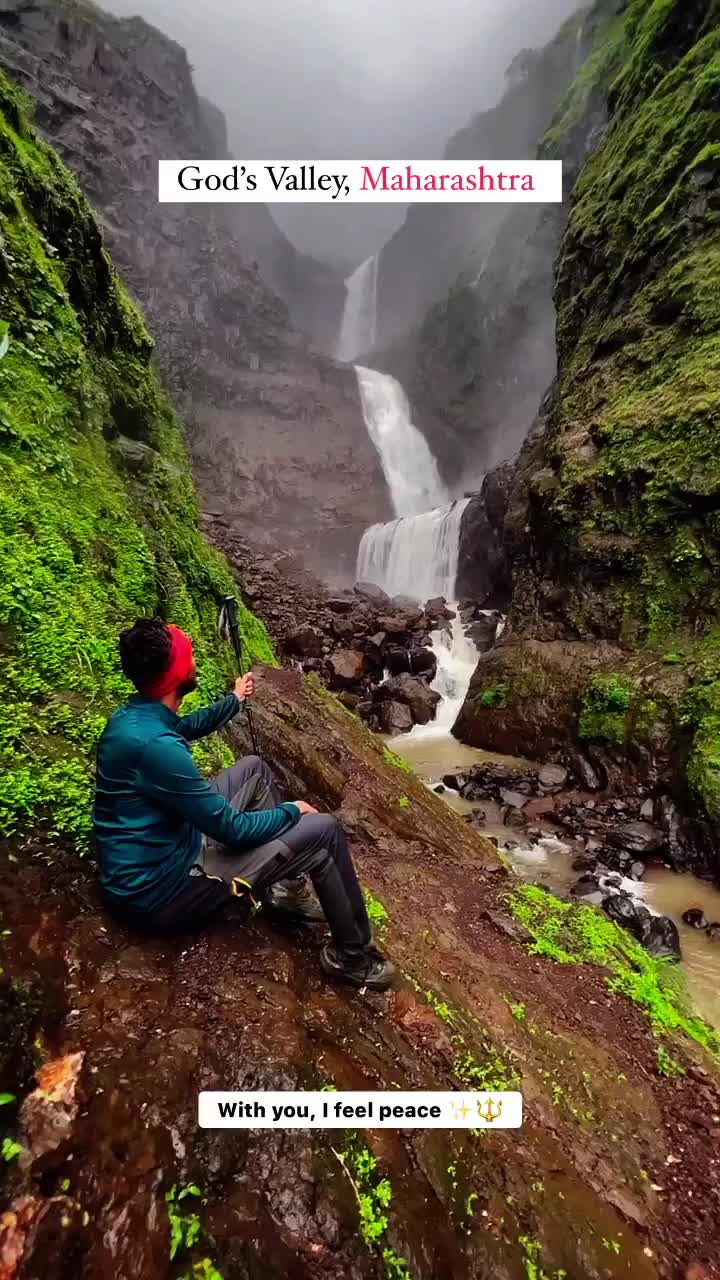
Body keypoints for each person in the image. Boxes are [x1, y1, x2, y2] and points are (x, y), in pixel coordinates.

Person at [93, 617, 396, 991]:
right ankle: (353, 959)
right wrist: (292, 811)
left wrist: (233, 701)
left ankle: (285, 893)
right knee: (325, 833)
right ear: (174, 677)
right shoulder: (156, 749)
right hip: (160, 891)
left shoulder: (134, 718)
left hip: (156, 855)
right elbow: (232, 829)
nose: (195, 663)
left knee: (254, 769)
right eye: (189, 658)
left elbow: (183, 727)